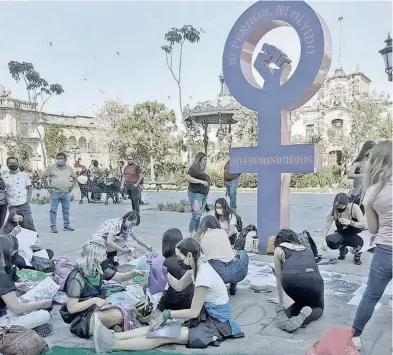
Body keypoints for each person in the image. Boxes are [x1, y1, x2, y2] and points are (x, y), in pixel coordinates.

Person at [91, 237, 244, 352]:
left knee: (162, 334)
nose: (179, 260)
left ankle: (112, 345)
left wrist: (167, 314)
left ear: (189, 255)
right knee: (155, 327)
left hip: (216, 324)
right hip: (207, 317)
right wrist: (162, 272)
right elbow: (178, 286)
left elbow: (193, 311)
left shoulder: (203, 276)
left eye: (180, 257)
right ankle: (113, 337)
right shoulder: (196, 267)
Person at [351, 141, 392, 350]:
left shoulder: (372, 193)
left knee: (371, 295)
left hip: (385, 250)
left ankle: (355, 336)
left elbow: (373, 229)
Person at [61, 239, 146, 339]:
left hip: (94, 309)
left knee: (129, 309)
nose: (106, 257)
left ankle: (110, 328)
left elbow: (120, 277)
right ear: (94, 258)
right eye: (103, 255)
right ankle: (110, 333)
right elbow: (72, 308)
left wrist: (134, 273)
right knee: (121, 315)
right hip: (81, 318)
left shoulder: (99, 268)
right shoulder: (76, 277)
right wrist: (94, 300)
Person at [273, 229, 324, 332]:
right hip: (313, 281)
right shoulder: (307, 249)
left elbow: (278, 277)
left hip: (290, 282)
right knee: (318, 307)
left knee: (300, 302)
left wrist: (280, 301)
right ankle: (304, 319)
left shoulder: (278, 249)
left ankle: (286, 314)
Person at [0, 235, 53, 333]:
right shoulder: (2, 275)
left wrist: (18, 285)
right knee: (44, 315)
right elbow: (17, 308)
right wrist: (42, 304)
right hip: (2, 322)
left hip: (3, 312)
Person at [195, 215, 249, 296]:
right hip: (238, 272)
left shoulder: (200, 236)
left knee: (203, 262)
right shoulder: (222, 232)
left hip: (218, 275)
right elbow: (229, 250)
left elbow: (199, 254)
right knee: (242, 253)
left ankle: (212, 289)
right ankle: (233, 285)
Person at [321, 193, 366, 265]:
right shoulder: (335, 209)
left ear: (347, 204)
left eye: (341, 207)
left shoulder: (354, 208)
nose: (339, 209)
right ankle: (343, 249)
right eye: (337, 207)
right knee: (330, 241)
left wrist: (350, 222)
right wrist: (323, 240)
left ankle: (357, 254)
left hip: (355, 235)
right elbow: (327, 225)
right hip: (342, 233)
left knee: (360, 243)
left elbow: (363, 224)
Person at [157, 228, 194, 312]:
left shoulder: (167, 261)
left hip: (174, 303)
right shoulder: (188, 258)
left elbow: (159, 285)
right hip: (189, 302)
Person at [43, 152, 77, 233]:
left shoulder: (69, 168)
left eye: (61, 159)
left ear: (65, 159)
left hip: (65, 192)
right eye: (58, 159)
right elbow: (44, 177)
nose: (59, 160)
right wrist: (48, 187)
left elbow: (75, 178)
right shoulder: (52, 167)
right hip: (55, 192)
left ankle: (66, 225)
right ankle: (53, 226)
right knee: (53, 210)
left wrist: (71, 187)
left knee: (66, 210)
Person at [3, 157, 35, 231]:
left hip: (24, 204)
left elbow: (29, 187)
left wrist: (28, 199)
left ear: (18, 164)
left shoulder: (24, 175)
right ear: (7, 165)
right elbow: (4, 191)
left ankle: (34, 240)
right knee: (14, 226)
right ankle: (16, 241)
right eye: (11, 163)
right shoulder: (5, 177)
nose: (13, 164)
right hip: (12, 205)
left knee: (28, 222)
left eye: (15, 163)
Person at [186, 152, 210, 236]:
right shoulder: (193, 169)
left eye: (206, 159)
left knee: (199, 215)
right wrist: (201, 181)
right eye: (204, 159)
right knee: (196, 215)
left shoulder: (202, 169)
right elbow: (187, 178)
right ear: (199, 160)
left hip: (203, 195)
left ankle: (196, 234)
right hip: (195, 194)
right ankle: (190, 235)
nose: (206, 161)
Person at [347, 141, 375, 206]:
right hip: (357, 194)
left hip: (369, 193)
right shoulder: (357, 163)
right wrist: (364, 175)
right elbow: (349, 175)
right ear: (367, 151)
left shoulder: (373, 164)